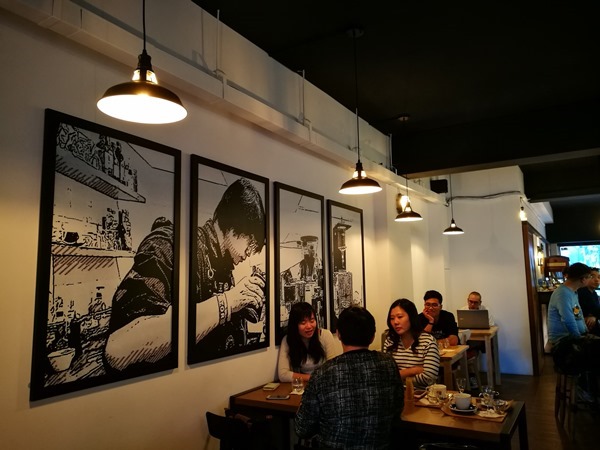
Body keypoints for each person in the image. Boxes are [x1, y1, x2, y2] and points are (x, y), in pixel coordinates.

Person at [104, 178, 266, 372]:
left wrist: (241, 307)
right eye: (251, 243)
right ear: (234, 224)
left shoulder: (223, 268)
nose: (248, 254)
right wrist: (227, 303)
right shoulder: (168, 244)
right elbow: (118, 350)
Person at [295, 306, 403, 449]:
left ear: (339, 334)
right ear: (373, 336)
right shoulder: (388, 364)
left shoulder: (322, 373)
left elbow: (302, 428)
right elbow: (397, 409)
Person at [548, 262, 600, 374]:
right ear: (583, 279)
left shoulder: (572, 292)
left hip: (573, 337)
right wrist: (580, 338)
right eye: (590, 276)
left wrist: (585, 332)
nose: (591, 279)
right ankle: (586, 383)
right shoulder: (563, 293)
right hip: (563, 342)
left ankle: (589, 382)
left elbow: (578, 315)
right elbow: (568, 320)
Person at [384, 298, 440, 389]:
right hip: (397, 394)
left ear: (411, 317)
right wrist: (413, 370)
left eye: (400, 317)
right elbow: (386, 376)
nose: (395, 322)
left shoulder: (428, 341)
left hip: (423, 394)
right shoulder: (390, 341)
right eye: (392, 318)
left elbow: (428, 378)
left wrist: (398, 376)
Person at [277, 302, 339, 383]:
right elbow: (283, 375)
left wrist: (306, 378)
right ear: (294, 325)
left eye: (312, 321)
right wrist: (312, 378)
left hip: (323, 384)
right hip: (301, 386)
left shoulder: (325, 335)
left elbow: (333, 368)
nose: (309, 326)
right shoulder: (288, 340)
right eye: (303, 323)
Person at [577, 267, 600, 336]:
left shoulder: (593, 293)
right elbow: (595, 310)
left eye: (599, 277)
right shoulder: (582, 292)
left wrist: (594, 316)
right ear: (585, 278)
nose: (597, 280)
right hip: (583, 330)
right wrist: (594, 315)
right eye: (592, 276)